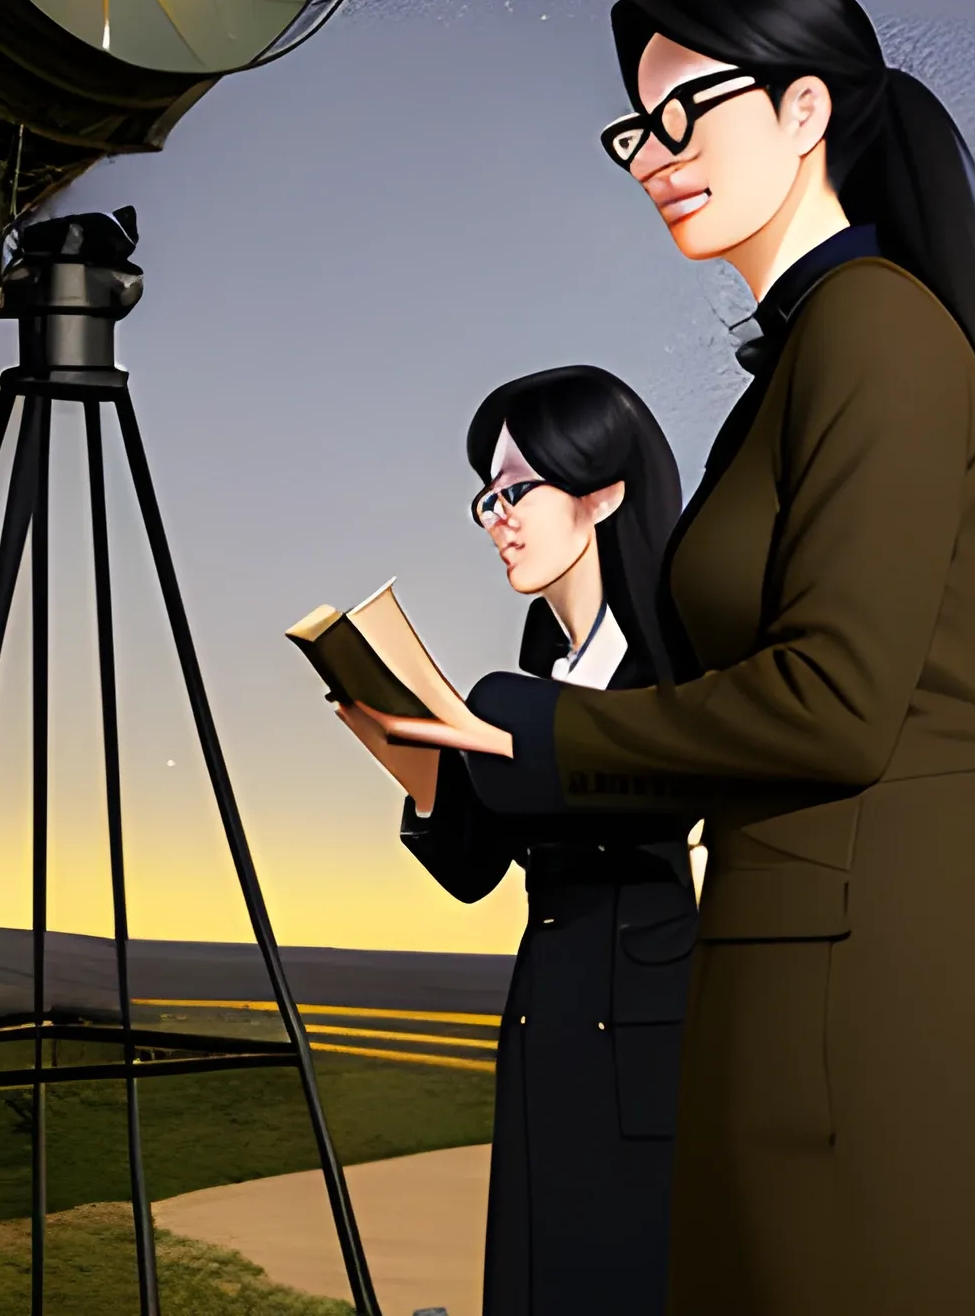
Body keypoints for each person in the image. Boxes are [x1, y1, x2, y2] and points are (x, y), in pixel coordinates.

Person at [368, 0, 975, 1314]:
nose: (655, 155)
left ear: (804, 111)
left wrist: (529, 731)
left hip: (878, 998)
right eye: (635, 130)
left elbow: (836, 704)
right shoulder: (806, 354)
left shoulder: (876, 335)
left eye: (689, 112)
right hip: (804, 977)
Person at [339, 365, 699, 1316]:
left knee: (629, 1274)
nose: (496, 517)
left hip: (650, 1041)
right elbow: (472, 870)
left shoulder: (682, 651)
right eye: (486, 498)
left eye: (516, 490)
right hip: (548, 1024)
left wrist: (501, 728)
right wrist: (414, 763)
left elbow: (665, 804)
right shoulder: (543, 662)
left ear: (604, 490)